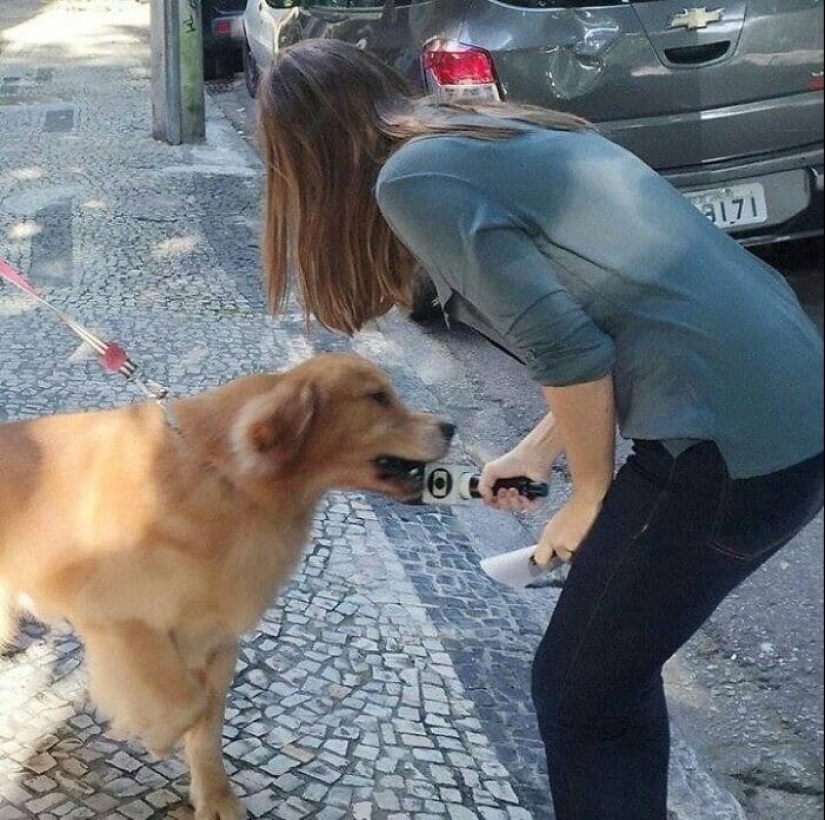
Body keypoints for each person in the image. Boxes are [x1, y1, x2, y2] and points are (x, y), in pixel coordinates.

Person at [256, 39, 824, 820]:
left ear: (305, 152)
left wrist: (590, 493)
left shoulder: (411, 178)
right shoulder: (496, 127)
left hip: (732, 451)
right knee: (608, 678)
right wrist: (536, 450)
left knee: (578, 694)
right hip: (788, 403)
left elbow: (568, 347)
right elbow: (604, 307)